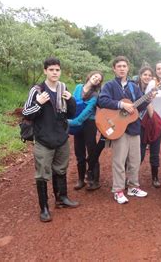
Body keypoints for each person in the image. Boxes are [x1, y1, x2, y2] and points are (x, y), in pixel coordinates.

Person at [22, 57, 78, 222]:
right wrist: (38, 103)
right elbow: (26, 113)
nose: (55, 72)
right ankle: (44, 208)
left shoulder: (63, 88)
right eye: (51, 69)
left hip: (61, 138)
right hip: (43, 139)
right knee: (42, 174)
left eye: (57, 70)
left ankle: (62, 198)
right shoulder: (37, 90)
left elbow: (71, 114)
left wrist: (71, 100)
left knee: (60, 169)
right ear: (45, 71)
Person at [97, 56, 154, 204]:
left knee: (135, 160)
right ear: (114, 69)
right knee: (119, 161)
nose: (122, 68)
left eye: (124, 66)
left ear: (128, 68)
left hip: (134, 128)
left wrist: (148, 99)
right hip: (118, 128)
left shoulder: (134, 87)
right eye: (119, 66)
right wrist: (121, 104)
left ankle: (133, 186)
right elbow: (102, 100)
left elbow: (138, 107)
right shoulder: (109, 86)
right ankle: (118, 190)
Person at [68, 71, 104, 191]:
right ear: (89, 76)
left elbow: (88, 110)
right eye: (95, 76)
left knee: (92, 150)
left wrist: (74, 122)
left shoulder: (95, 94)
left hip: (89, 123)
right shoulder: (78, 87)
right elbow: (73, 102)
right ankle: (80, 179)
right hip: (76, 121)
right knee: (79, 151)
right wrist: (73, 119)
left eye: (99, 79)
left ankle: (94, 179)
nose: (96, 79)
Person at [139, 62, 161, 188]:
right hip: (148, 120)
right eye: (158, 68)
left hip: (160, 121)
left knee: (155, 151)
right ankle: (131, 177)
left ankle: (155, 177)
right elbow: (147, 100)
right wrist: (153, 117)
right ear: (156, 71)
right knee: (140, 150)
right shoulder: (152, 82)